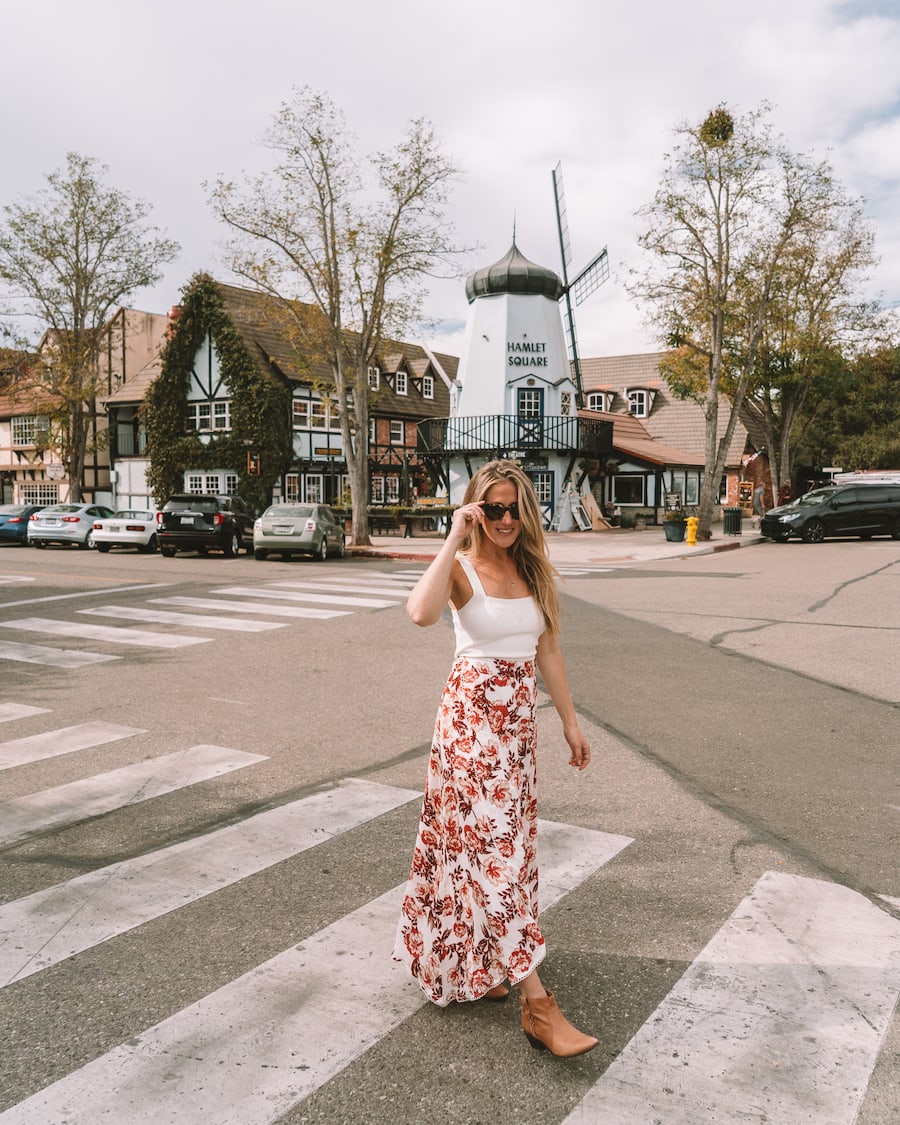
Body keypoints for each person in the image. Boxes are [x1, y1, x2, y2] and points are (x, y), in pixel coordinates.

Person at [392, 459, 597, 1058]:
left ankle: (477, 961)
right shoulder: (460, 569)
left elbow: (548, 649)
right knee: (495, 852)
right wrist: (455, 534)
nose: (505, 519)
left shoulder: (533, 569)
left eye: (513, 508)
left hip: (516, 731)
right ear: (476, 509)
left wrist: (568, 720)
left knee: (498, 849)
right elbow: (420, 613)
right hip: (469, 726)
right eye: (493, 508)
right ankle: (539, 1005)